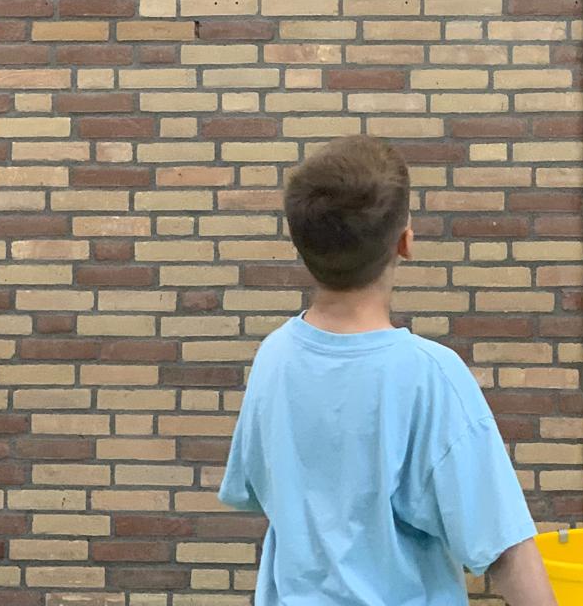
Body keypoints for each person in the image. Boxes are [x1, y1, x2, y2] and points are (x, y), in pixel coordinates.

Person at [219, 134, 558, 606]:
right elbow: (505, 550)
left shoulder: (273, 357)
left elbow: (257, 487)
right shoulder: (430, 376)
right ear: (405, 242)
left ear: (301, 246)